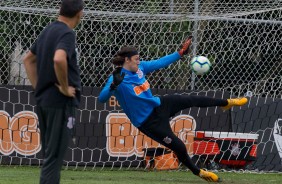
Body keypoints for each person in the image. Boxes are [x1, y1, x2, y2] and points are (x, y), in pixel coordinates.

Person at [98, 37, 248, 182]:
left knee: (190, 99)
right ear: (127, 60)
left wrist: (180, 53)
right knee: (179, 146)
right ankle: (200, 172)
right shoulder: (116, 78)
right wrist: (113, 87)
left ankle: (226, 102)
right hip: (148, 122)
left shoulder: (140, 67)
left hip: (159, 104)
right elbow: (101, 98)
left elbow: (159, 63)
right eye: (136, 58)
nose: (139, 61)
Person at [23, 0, 84, 183]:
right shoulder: (67, 33)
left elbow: (28, 59)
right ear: (80, 13)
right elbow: (59, 59)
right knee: (54, 159)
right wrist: (64, 88)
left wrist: (39, 88)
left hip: (44, 102)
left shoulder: (48, 30)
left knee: (50, 156)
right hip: (60, 103)